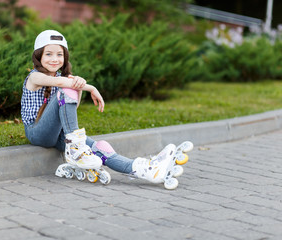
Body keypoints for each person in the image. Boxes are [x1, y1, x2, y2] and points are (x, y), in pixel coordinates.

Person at [21, 30, 187, 188]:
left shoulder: (64, 79)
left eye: (59, 54)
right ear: (38, 56)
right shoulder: (34, 76)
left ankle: (145, 169)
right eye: (48, 54)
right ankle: (75, 149)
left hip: (60, 133)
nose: (54, 59)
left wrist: (77, 88)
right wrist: (90, 87)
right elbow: (59, 84)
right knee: (68, 89)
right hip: (37, 133)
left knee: (101, 148)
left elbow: (70, 110)